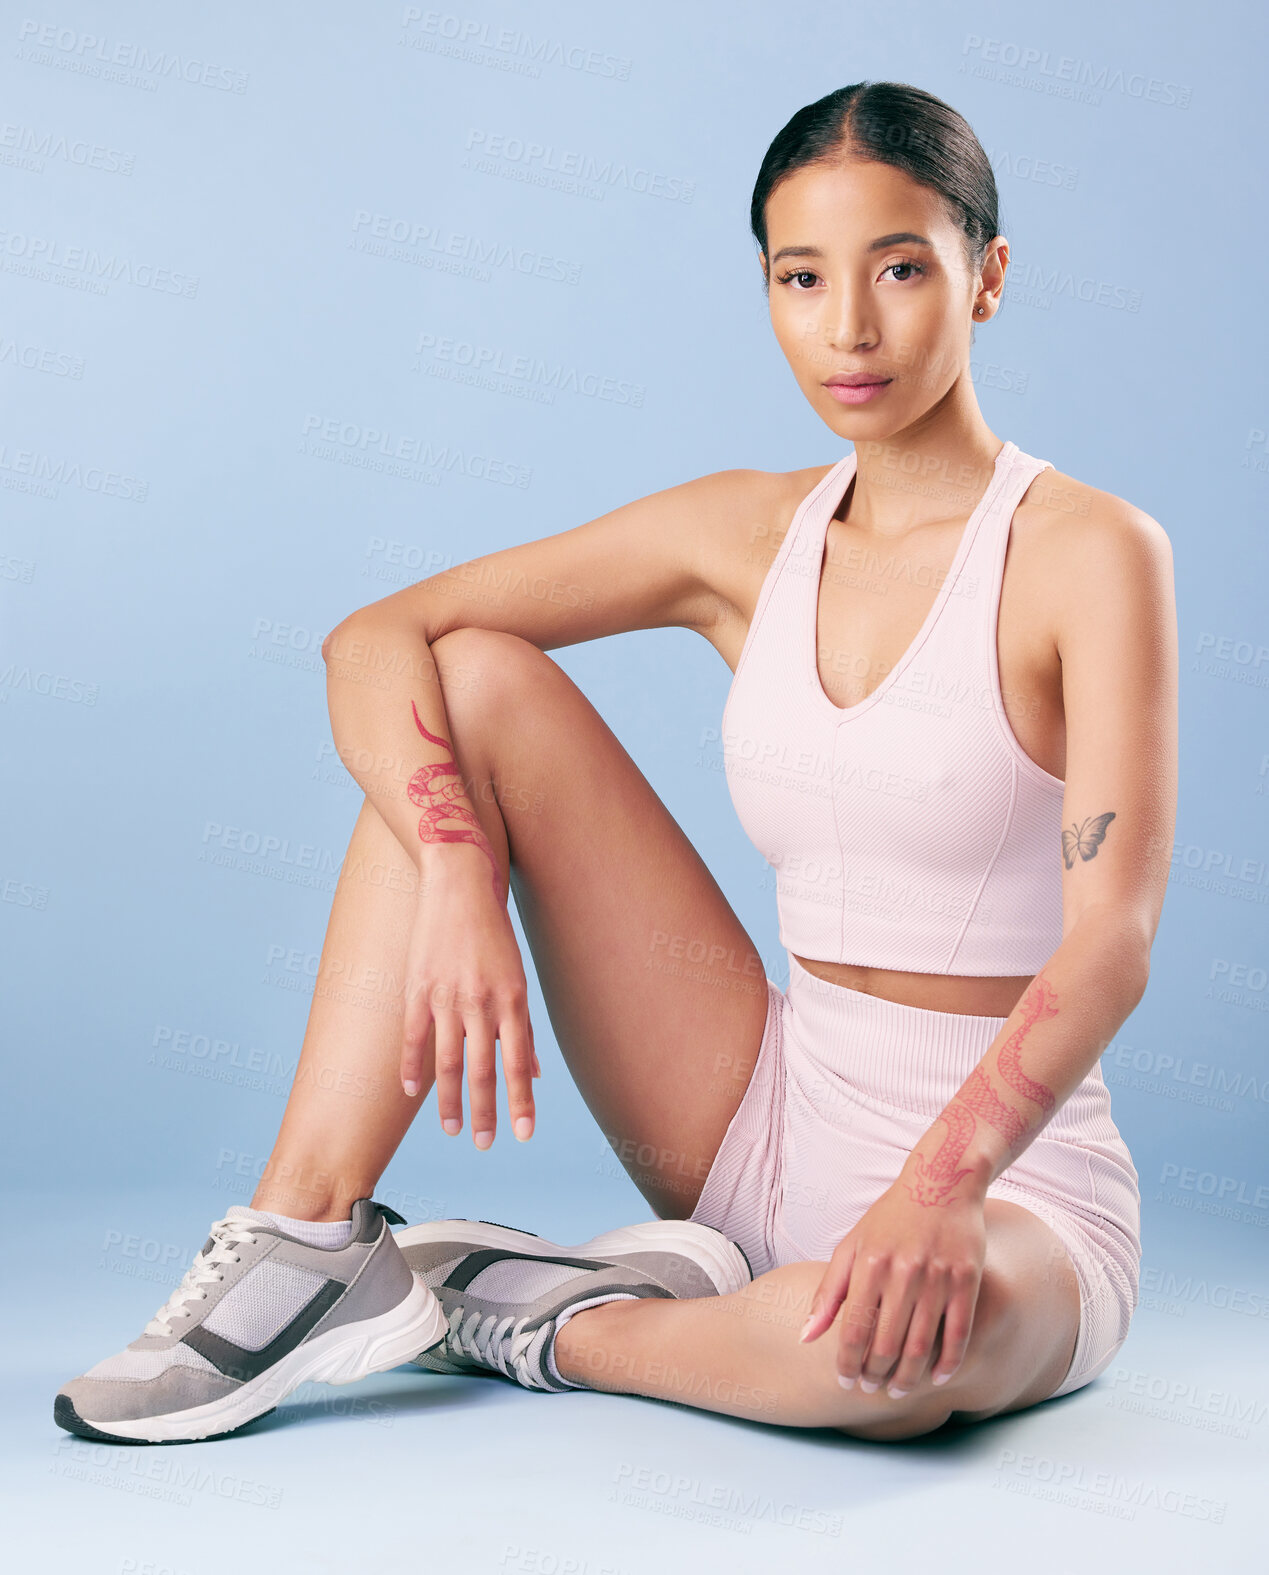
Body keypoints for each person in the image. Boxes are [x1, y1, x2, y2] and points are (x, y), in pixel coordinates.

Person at [56, 80, 1177, 1446]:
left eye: (899, 268)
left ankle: (537, 1319)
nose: (848, 327)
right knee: (464, 682)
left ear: (984, 277)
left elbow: (1109, 941)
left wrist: (938, 1190)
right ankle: (307, 1242)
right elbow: (377, 637)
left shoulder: (1089, 553)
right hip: (755, 1112)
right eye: (799, 277)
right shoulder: (739, 538)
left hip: (1014, 1188)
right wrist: (462, 876)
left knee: (885, 1372)